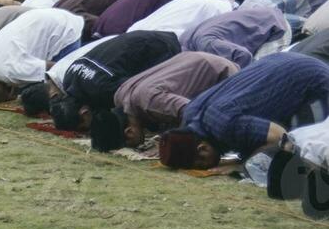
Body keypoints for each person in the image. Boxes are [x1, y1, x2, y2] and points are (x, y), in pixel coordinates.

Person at [160, 53, 329, 170]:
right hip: (283, 62)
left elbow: (281, 137)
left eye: (200, 164)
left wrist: (243, 165)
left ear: (202, 149)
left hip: (314, 81)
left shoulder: (225, 125)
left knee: (305, 147)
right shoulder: (191, 114)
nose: (205, 167)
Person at [90, 51, 240, 152]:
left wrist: (167, 145)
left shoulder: (151, 103)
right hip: (194, 58)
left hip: (222, 73)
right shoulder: (120, 96)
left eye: (130, 144)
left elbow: (193, 111)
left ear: (129, 132)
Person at [48, 30, 182, 132]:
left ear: (84, 113)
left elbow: (138, 95)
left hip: (160, 47)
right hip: (140, 37)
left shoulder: (103, 89)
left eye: (84, 127)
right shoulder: (69, 79)